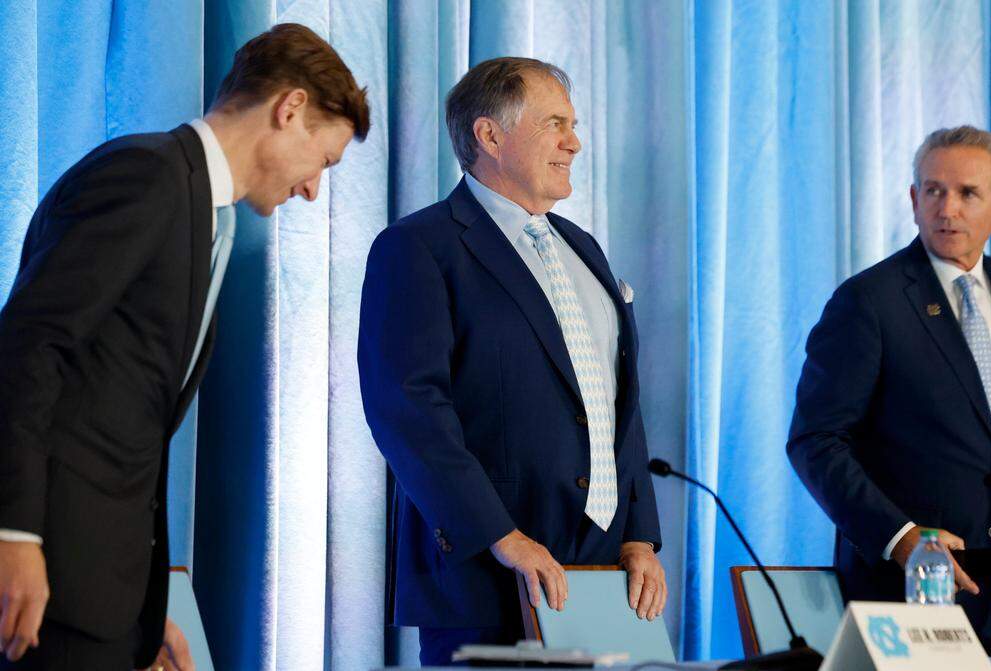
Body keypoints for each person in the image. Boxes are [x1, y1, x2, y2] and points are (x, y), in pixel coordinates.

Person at [0, 23, 369, 670]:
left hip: (102, 593)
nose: (314, 188)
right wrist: (13, 534)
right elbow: (29, 346)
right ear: (290, 109)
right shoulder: (145, 175)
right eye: (325, 161)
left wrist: (146, 608)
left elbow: (124, 424)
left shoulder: (202, 208)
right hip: (46, 585)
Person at [358, 57, 666, 666]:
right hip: (486, 580)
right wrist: (502, 537)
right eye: (555, 124)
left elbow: (614, 403)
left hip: (600, 579)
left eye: (573, 125)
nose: (574, 142)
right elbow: (408, 412)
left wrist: (638, 533)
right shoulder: (419, 247)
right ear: (490, 136)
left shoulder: (584, 248)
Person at [787, 126, 991, 656]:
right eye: (933, 190)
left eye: (968, 193)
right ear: (913, 200)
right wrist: (900, 539)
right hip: (909, 592)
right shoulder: (868, 302)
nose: (948, 208)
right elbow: (815, 440)